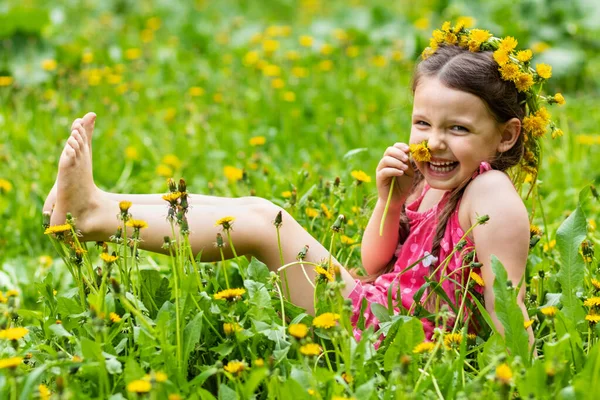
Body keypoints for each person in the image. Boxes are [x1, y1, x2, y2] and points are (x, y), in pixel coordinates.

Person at [44, 23, 564, 342]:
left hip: (393, 337)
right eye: (423, 124)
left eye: (458, 128)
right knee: (252, 210)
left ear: (505, 136)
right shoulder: (435, 185)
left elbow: (508, 312)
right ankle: (98, 205)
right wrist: (390, 201)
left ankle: (92, 213)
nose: (436, 142)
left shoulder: (491, 194)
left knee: (259, 221)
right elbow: (375, 264)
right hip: (378, 311)